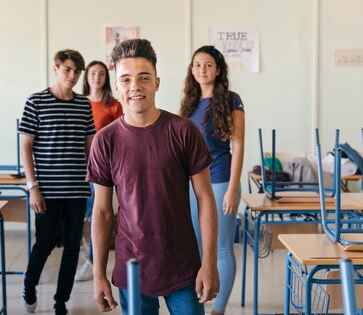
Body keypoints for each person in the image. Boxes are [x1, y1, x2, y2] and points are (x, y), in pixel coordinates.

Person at [87, 38, 220, 315]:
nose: (135, 86)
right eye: (125, 79)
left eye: (143, 77)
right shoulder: (105, 141)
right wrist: (99, 273)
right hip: (131, 268)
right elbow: (101, 212)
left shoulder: (183, 132)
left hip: (182, 266)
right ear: (116, 87)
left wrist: (210, 262)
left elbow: (206, 199)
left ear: (157, 83)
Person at [19, 49, 96, 315]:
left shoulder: (83, 105)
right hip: (47, 190)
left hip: (76, 189)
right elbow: (25, 146)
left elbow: (90, 148)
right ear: (56, 69)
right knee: (45, 244)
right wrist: (32, 187)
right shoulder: (36, 102)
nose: (72, 76)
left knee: (73, 247)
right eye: (67, 70)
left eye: (77, 72)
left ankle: (61, 301)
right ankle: (29, 286)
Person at [179, 45, 245, 315]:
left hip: (219, 181)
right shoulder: (189, 103)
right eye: (197, 65)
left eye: (207, 65)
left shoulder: (231, 99)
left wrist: (232, 189)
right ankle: (200, 302)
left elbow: (238, 145)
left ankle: (219, 309)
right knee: (198, 247)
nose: (202, 70)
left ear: (218, 69)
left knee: (220, 248)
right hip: (193, 185)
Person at [75, 60, 123, 282]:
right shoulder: (77, 103)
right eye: (93, 73)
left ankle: (94, 260)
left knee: (96, 211)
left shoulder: (113, 105)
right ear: (87, 77)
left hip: (103, 165)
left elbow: (120, 138)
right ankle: (81, 254)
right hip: (77, 164)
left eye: (101, 73)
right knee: (79, 213)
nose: (96, 77)